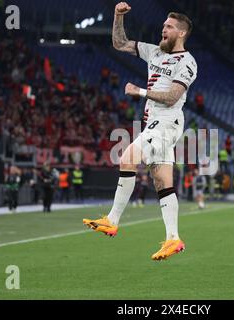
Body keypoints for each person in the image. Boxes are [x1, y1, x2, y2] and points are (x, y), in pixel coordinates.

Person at [83, 2, 197, 261]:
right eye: (163, 25)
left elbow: (172, 97)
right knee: (162, 182)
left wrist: (141, 91)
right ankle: (173, 238)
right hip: (154, 123)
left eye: (169, 27)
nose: (163, 29)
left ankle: (112, 220)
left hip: (167, 121)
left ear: (181, 33)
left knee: (128, 157)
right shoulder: (154, 51)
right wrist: (118, 16)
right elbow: (120, 43)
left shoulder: (187, 62)